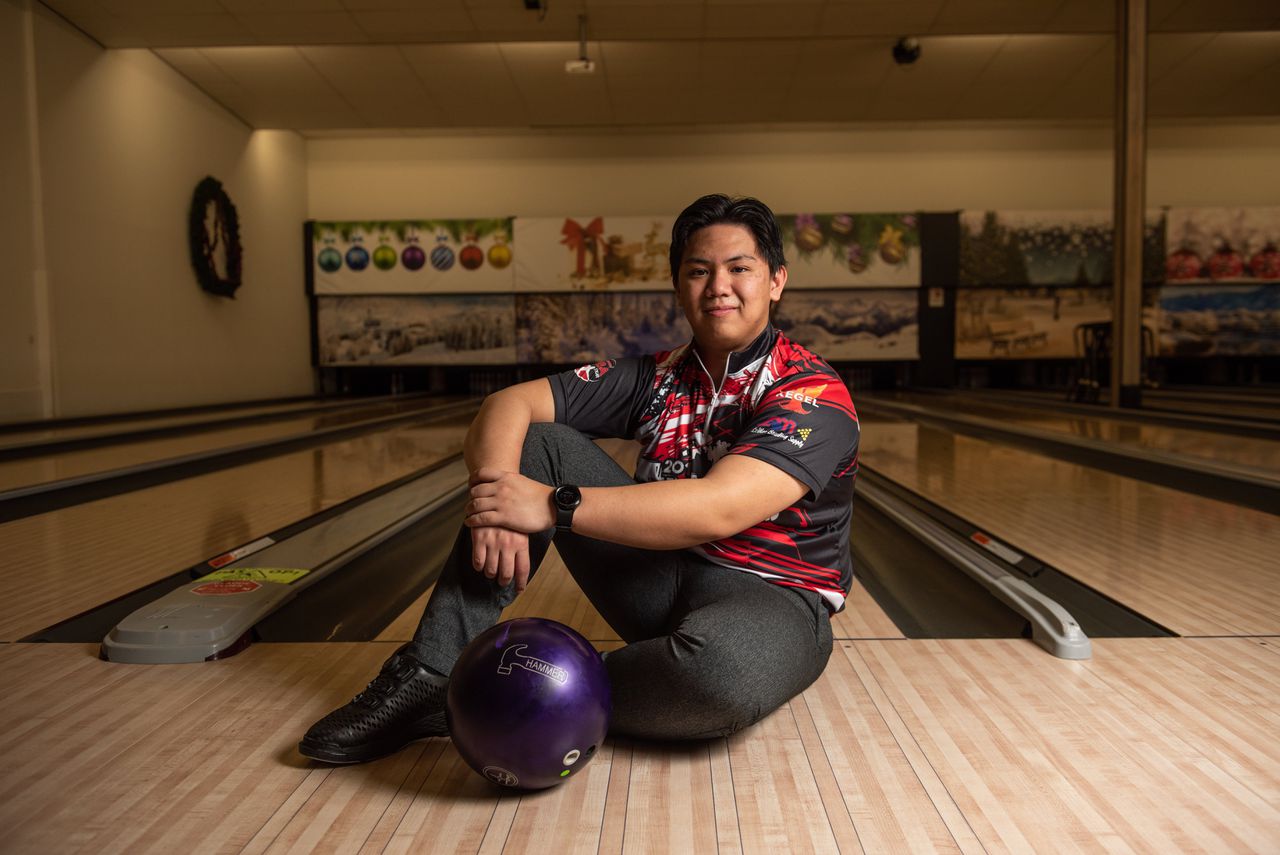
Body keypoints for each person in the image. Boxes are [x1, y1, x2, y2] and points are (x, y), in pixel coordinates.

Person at [299, 194, 860, 764]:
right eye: (699, 271)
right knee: (539, 442)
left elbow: (718, 508)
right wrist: (499, 496)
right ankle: (429, 672)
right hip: (660, 578)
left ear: (776, 281)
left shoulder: (810, 392)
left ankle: (517, 689)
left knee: (718, 677)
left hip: (774, 598)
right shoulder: (657, 376)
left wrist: (550, 505)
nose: (718, 286)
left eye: (740, 268)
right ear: (679, 284)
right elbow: (506, 403)